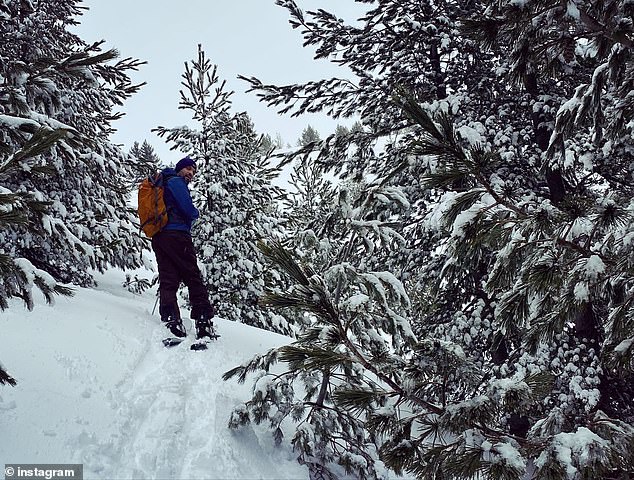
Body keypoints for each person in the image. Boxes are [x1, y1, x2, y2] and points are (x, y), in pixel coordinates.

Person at [151, 156, 215, 340]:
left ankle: (172, 319)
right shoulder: (176, 182)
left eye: (193, 171)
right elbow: (187, 209)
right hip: (178, 235)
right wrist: (196, 213)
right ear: (180, 169)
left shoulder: (164, 183)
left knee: (169, 278)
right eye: (188, 169)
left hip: (160, 237)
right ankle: (203, 320)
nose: (191, 174)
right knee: (192, 276)